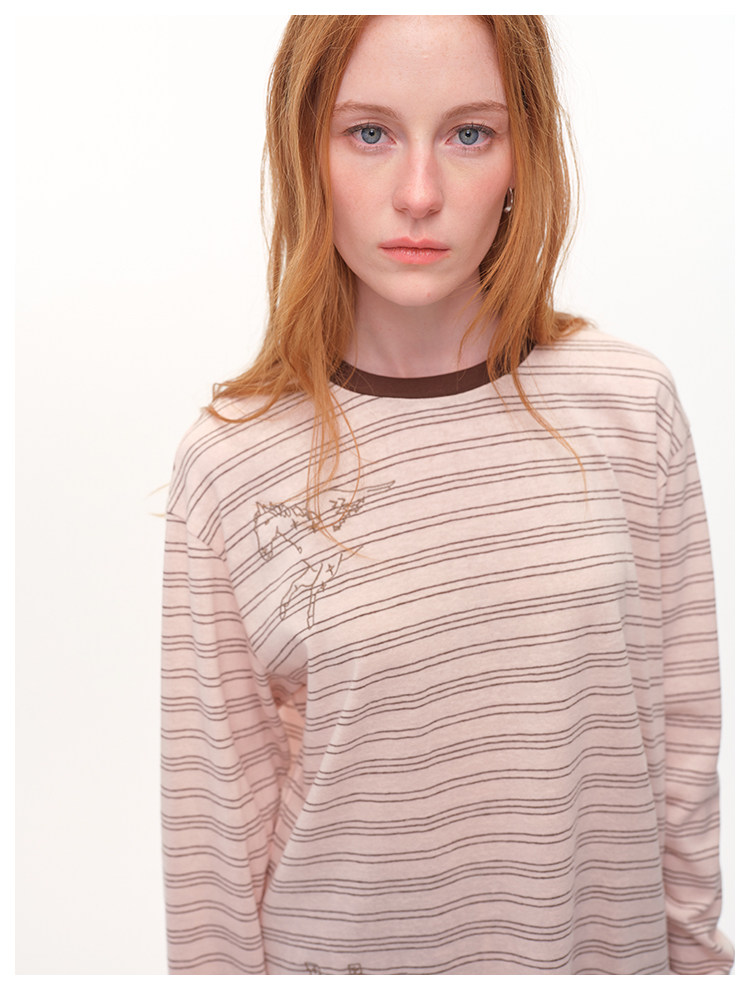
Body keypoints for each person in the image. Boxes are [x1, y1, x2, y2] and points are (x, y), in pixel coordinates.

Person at [161, 14, 733, 975]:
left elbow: (682, 766)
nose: (419, 194)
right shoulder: (230, 465)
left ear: (523, 154)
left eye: (470, 133)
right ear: (304, 150)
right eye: (369, 133)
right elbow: (213, 857)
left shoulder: (632, 409)